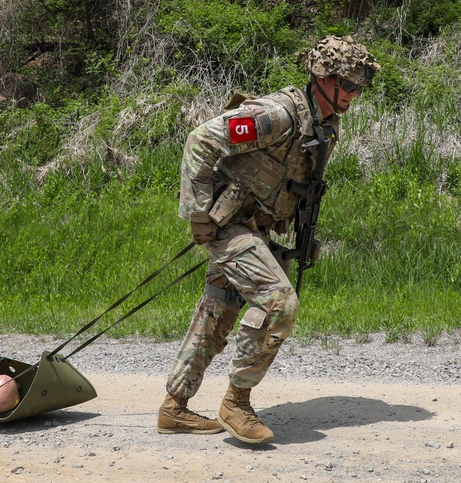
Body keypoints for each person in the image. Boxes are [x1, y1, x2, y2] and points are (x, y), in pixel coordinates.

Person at [158, 35, 379, 444]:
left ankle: (174, 408)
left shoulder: (327, 123)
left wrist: (300, 235)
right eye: (347, 84)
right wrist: (197, 212)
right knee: (279, 303)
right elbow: (201, 139)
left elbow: (295, 183)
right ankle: (236, 403)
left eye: (359, 87)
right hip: (226, 222)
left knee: (219, 309)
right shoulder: (278, 114)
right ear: (322, 77)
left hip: (256, 227)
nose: (354, 93)